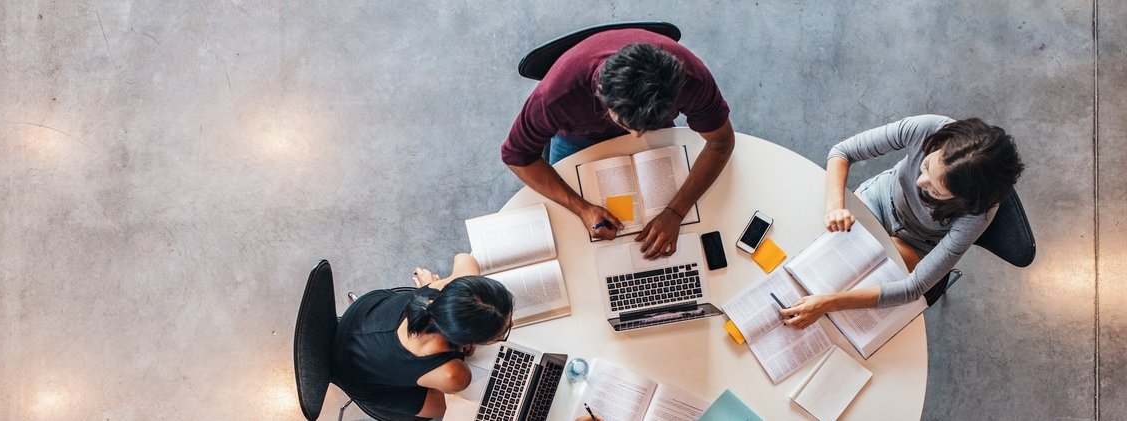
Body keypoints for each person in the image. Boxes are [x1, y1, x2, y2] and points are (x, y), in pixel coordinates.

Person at [502, 28, 735, 259]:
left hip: (654, 132)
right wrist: (582, 208)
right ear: (601, 92)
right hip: (577, 136)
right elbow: (516, 156)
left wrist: (676, 211)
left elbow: (721, 142)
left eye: (644, 127)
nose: (636, 137)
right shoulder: (557, 95)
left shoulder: (691, 77)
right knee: (572, 237)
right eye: (629, 124)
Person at [781, 115, 1025, 328]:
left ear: (965, 200)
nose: (920, 182)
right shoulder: (929, 128)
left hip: (918, 242)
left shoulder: (978, 213)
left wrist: (828, 304)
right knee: (816, 250)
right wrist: (835, 207)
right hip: (878, 200)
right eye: (926, 165)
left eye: (936, 191)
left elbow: (913, 287)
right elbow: (842, 152)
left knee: (855, 283)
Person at [331, 253, 515, 420]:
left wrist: (434, 284)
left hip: (360, 319)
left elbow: (465, 259)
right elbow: (451, 397)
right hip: (358, 378)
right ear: (470, 341)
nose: (512, 325)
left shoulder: (443, 289)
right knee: (455, 409)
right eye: (503, 333)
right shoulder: (455, 375)